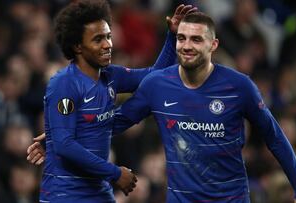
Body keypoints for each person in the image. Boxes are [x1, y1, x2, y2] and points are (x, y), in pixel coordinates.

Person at [28, 11, 296, 203]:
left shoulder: (239, 87)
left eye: (196, 39)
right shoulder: (157, 86)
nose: (186, 45)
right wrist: (57, 135)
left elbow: (275, 138)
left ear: (213, 44)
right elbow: (114, 123)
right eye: (181, 38)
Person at [33, 0, 196, 202]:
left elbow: (155, 77)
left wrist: (172, 37)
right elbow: (65, 145)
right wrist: (115, 173)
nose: (108, 44)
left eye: (109, 37)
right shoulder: (64, 84)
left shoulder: (111, 76)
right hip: (66, 195)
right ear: (77, 46)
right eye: (98, 39)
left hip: (100, 193)